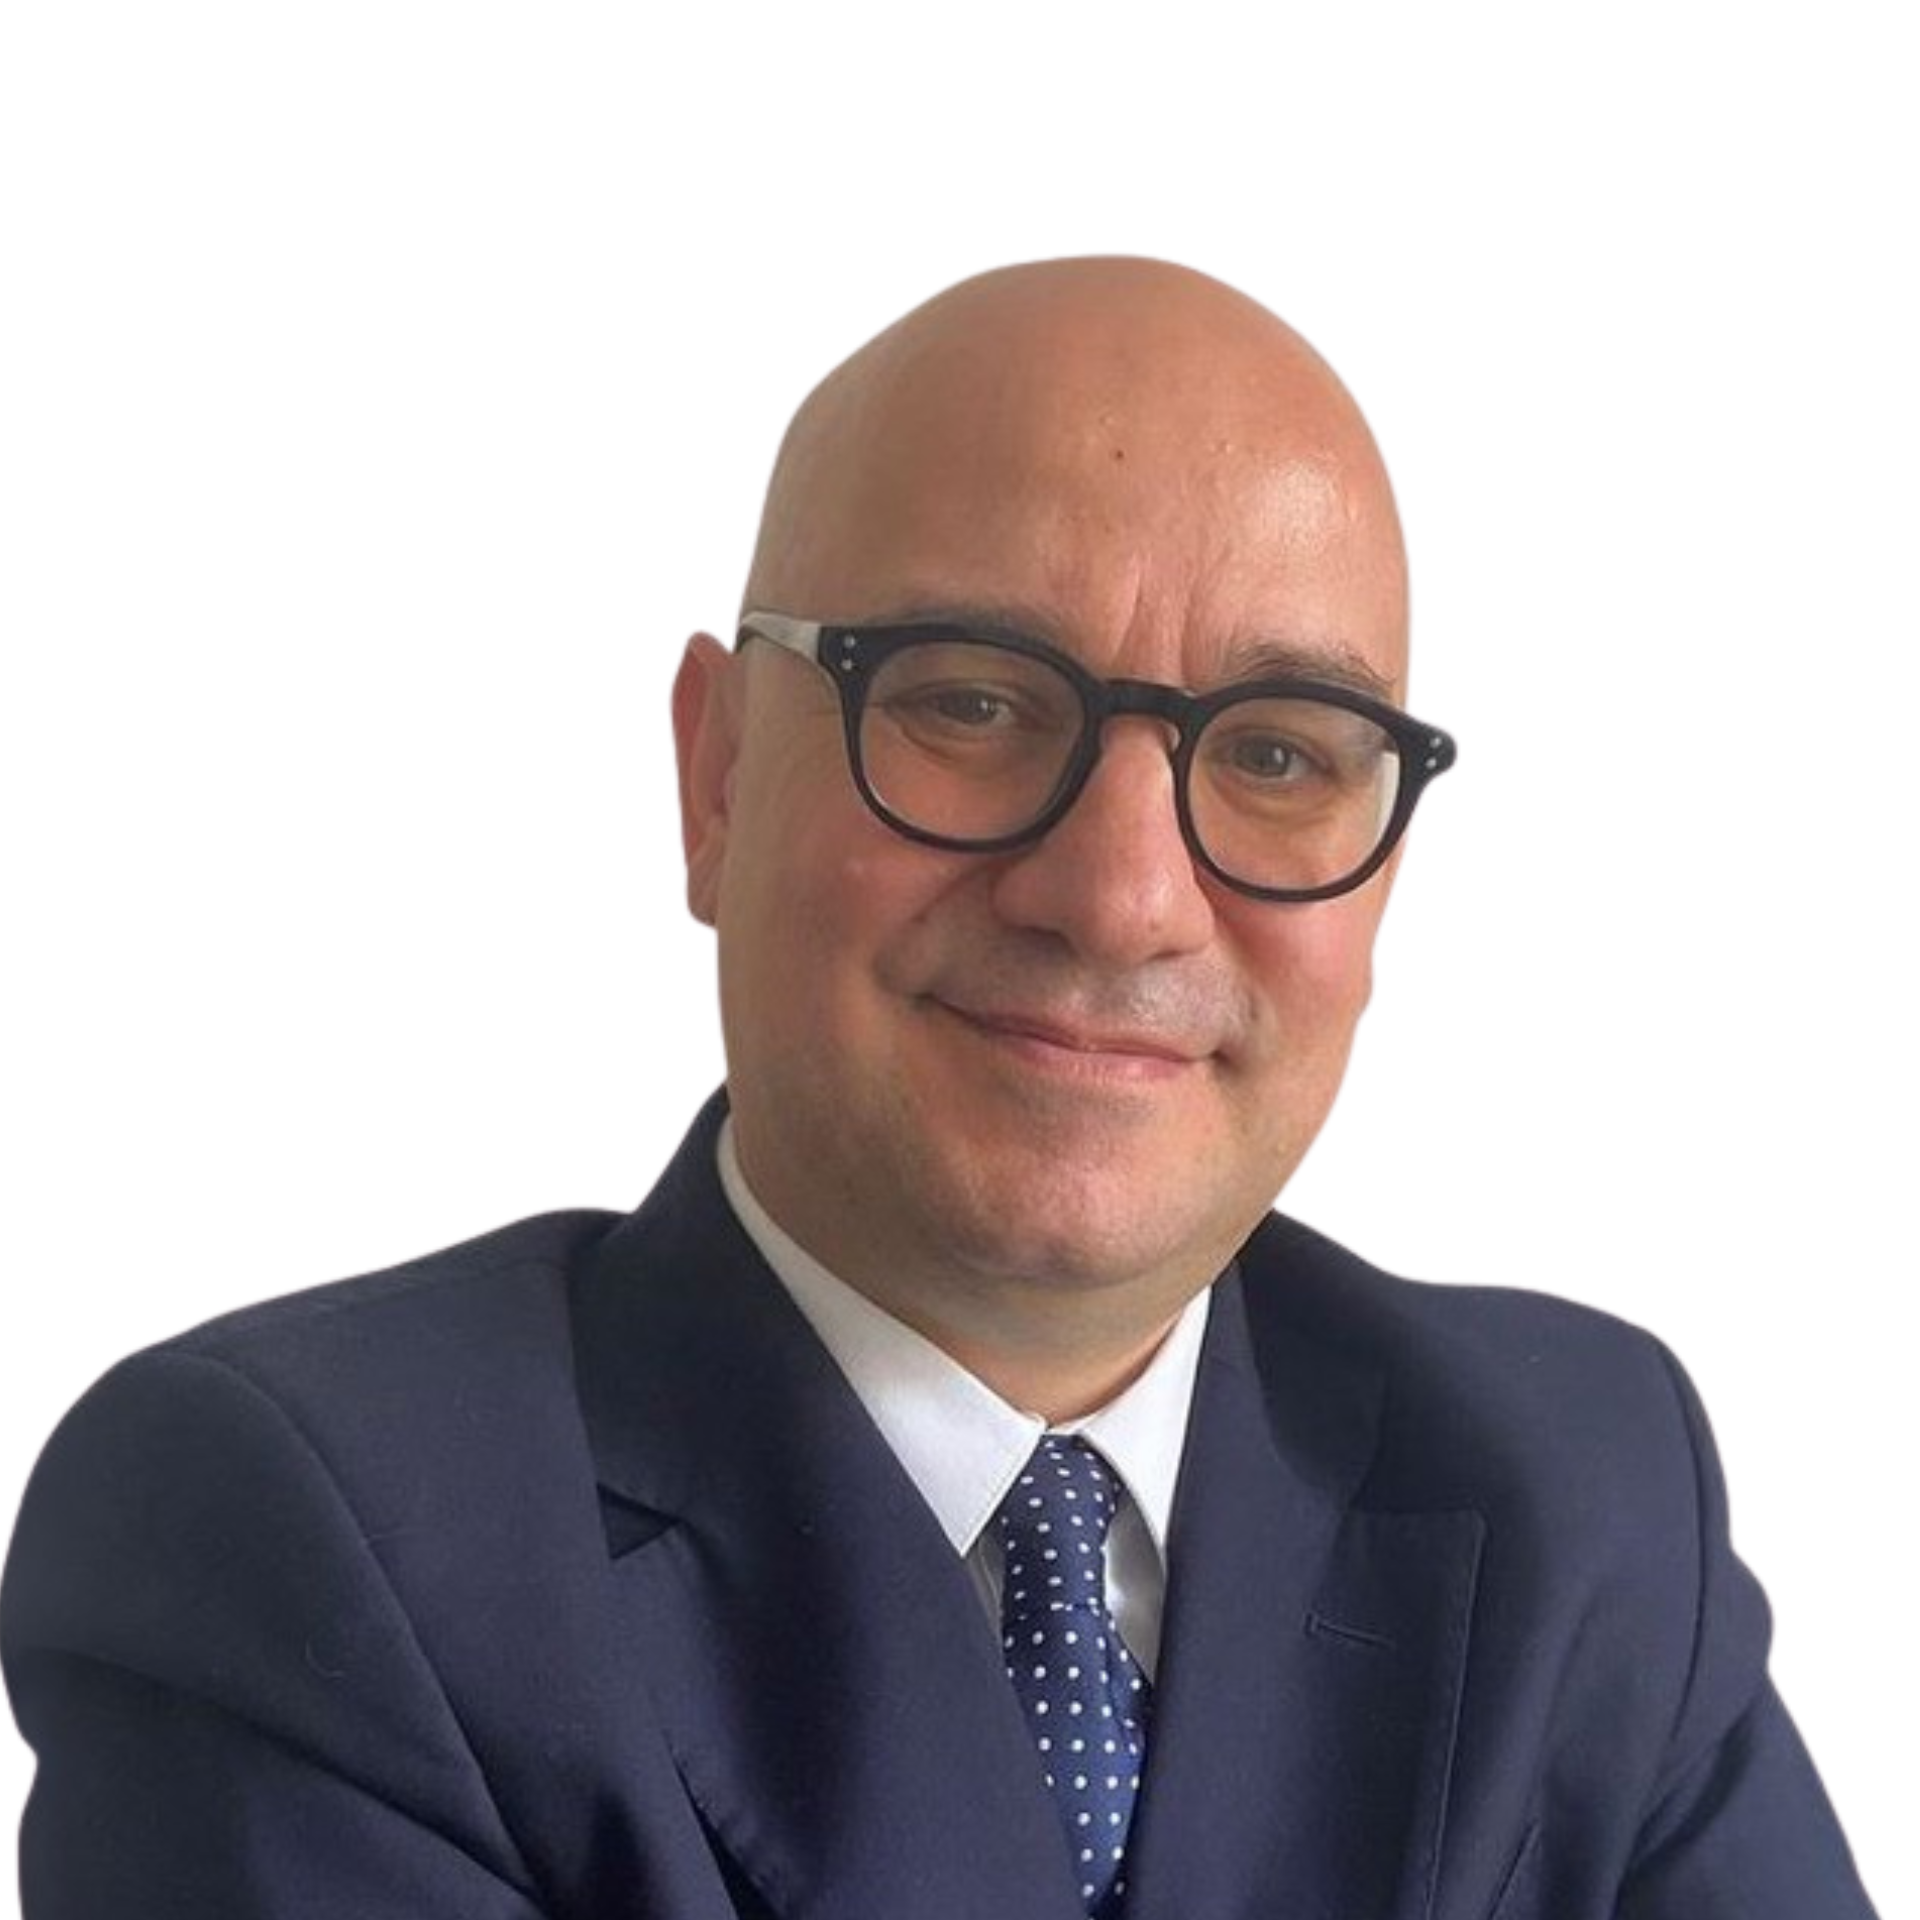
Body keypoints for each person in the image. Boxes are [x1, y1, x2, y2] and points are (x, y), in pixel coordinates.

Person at [1, 257, 1877, 1918]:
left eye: (1281, 756)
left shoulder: (1584, 1498)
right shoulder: (301, 1543)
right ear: (719, 779)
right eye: (973, 701)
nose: (1122, 897)